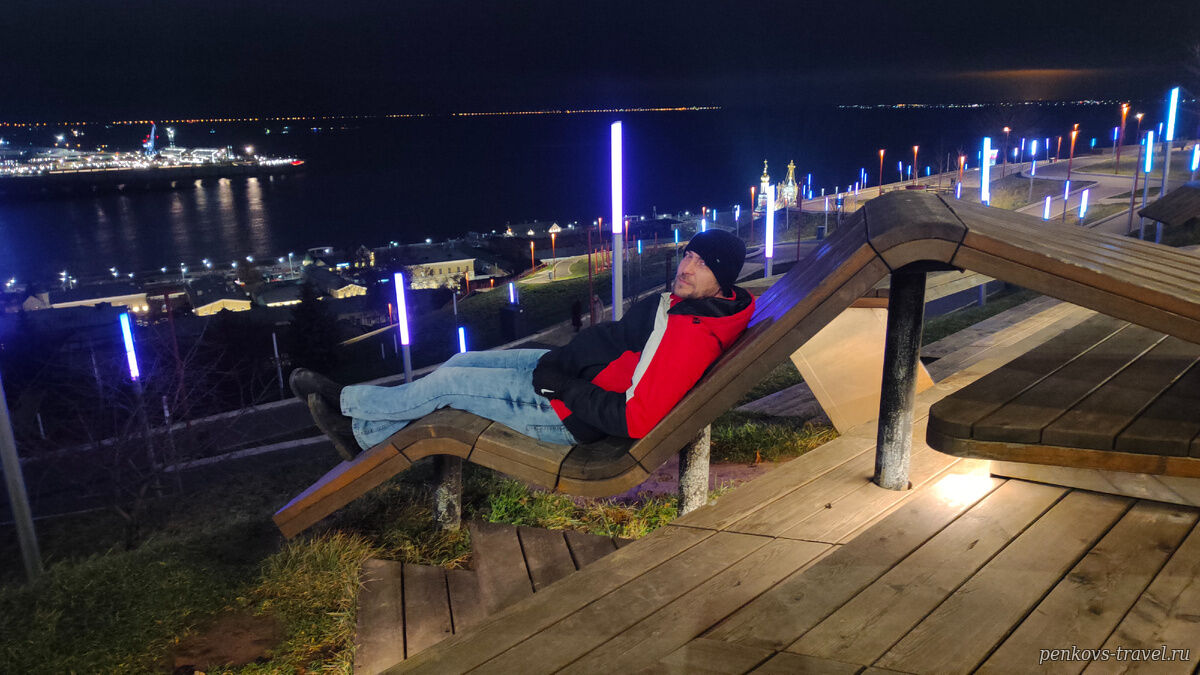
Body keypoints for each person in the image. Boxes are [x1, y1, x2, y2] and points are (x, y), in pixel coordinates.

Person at [292, 229, 755, 459]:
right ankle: (364, 432)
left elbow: (635, 418)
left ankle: (348, 408)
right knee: (461, 359)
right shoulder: (693, 305)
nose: (686, 266)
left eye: (702, 263)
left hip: (566, 414)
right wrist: (565, 361)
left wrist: (563, 386)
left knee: (447, 385)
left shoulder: (691, 334)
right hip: (573, 373)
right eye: (689, 254)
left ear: (722, 278)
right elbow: (618, 343)